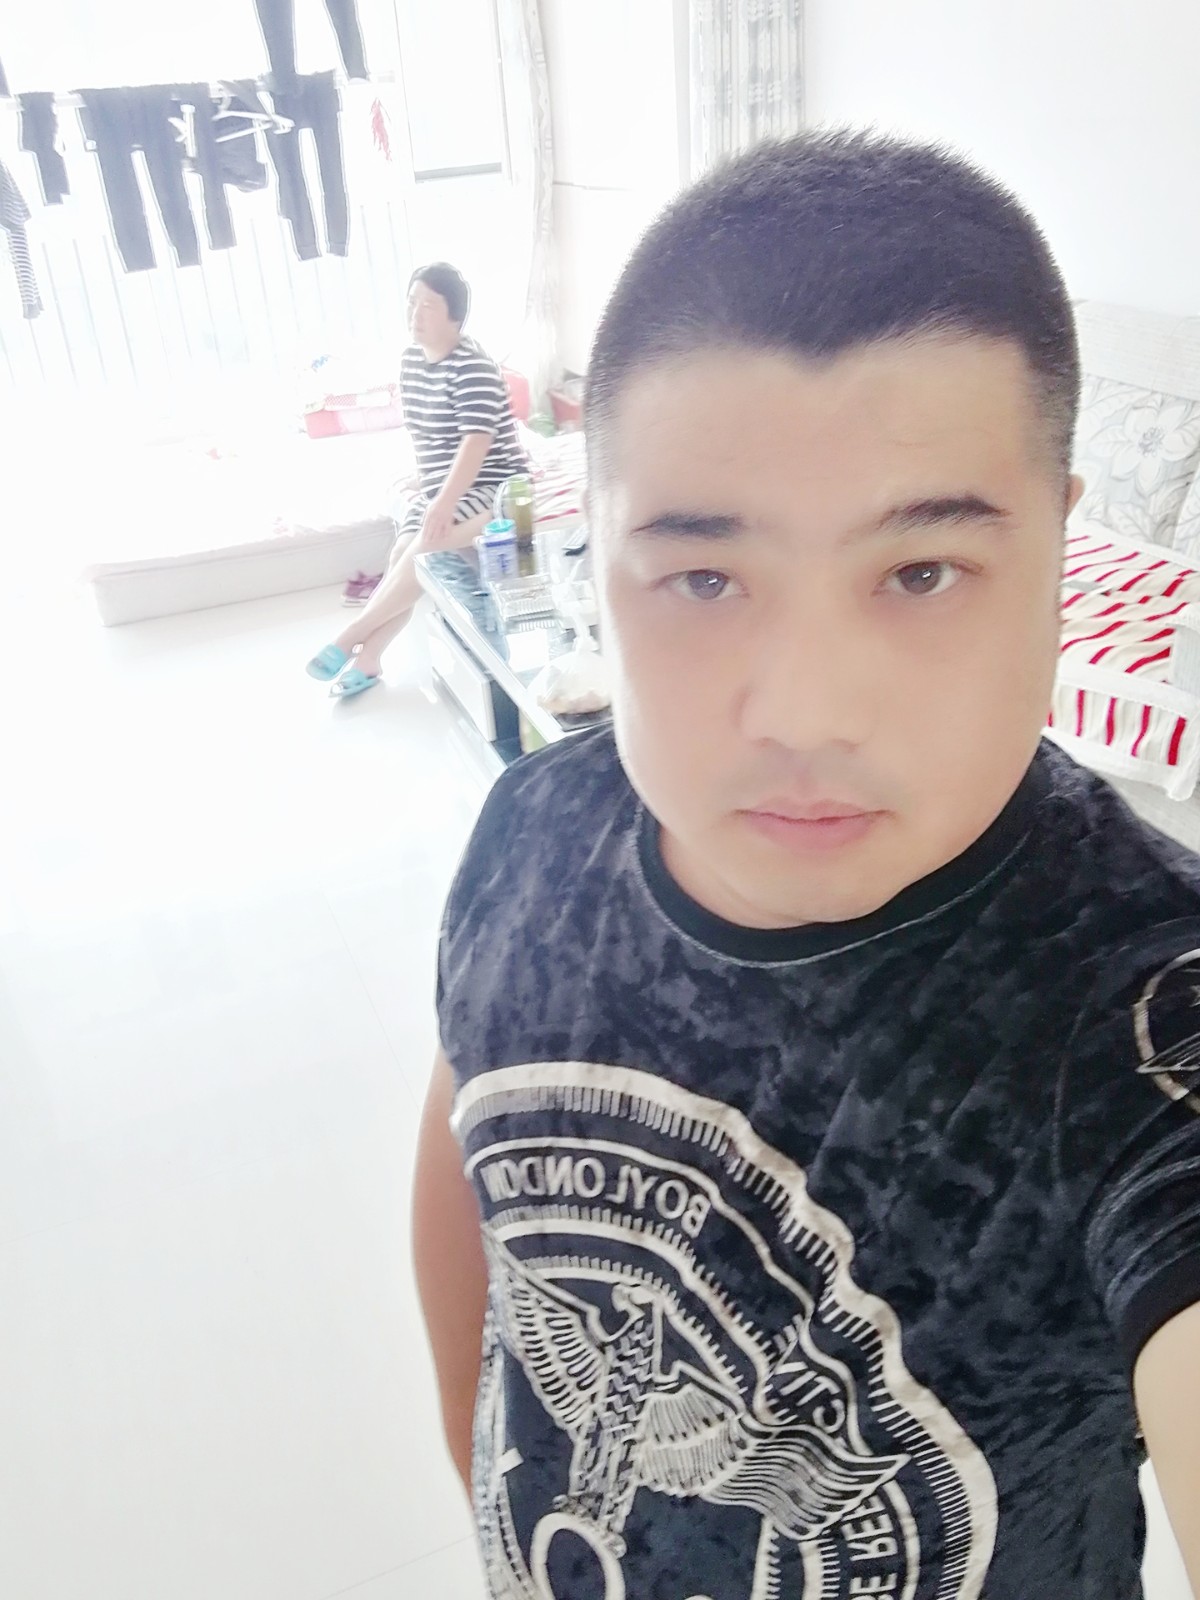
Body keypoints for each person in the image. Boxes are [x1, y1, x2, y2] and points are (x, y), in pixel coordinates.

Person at [414, 130, 1200, 1599]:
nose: (807, 714)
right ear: (599, 563)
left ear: (1057, 558)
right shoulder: (532, 828)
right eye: (705, 576)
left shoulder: (1140, 1013)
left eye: (921, 572)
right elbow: (481, 1176)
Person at [307, 261, 527, 696]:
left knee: (424, 547)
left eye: (429, 305)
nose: (416, 314)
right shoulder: (411, 361)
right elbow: (426, 432)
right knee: (401, 553)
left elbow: (476, 443)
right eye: (412, 303)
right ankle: (369, 660)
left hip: (494, 484)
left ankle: (351, 636)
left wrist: (443, 501)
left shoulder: (474, 366)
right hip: (445, 484)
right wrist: (427, 483)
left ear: (455, 317)